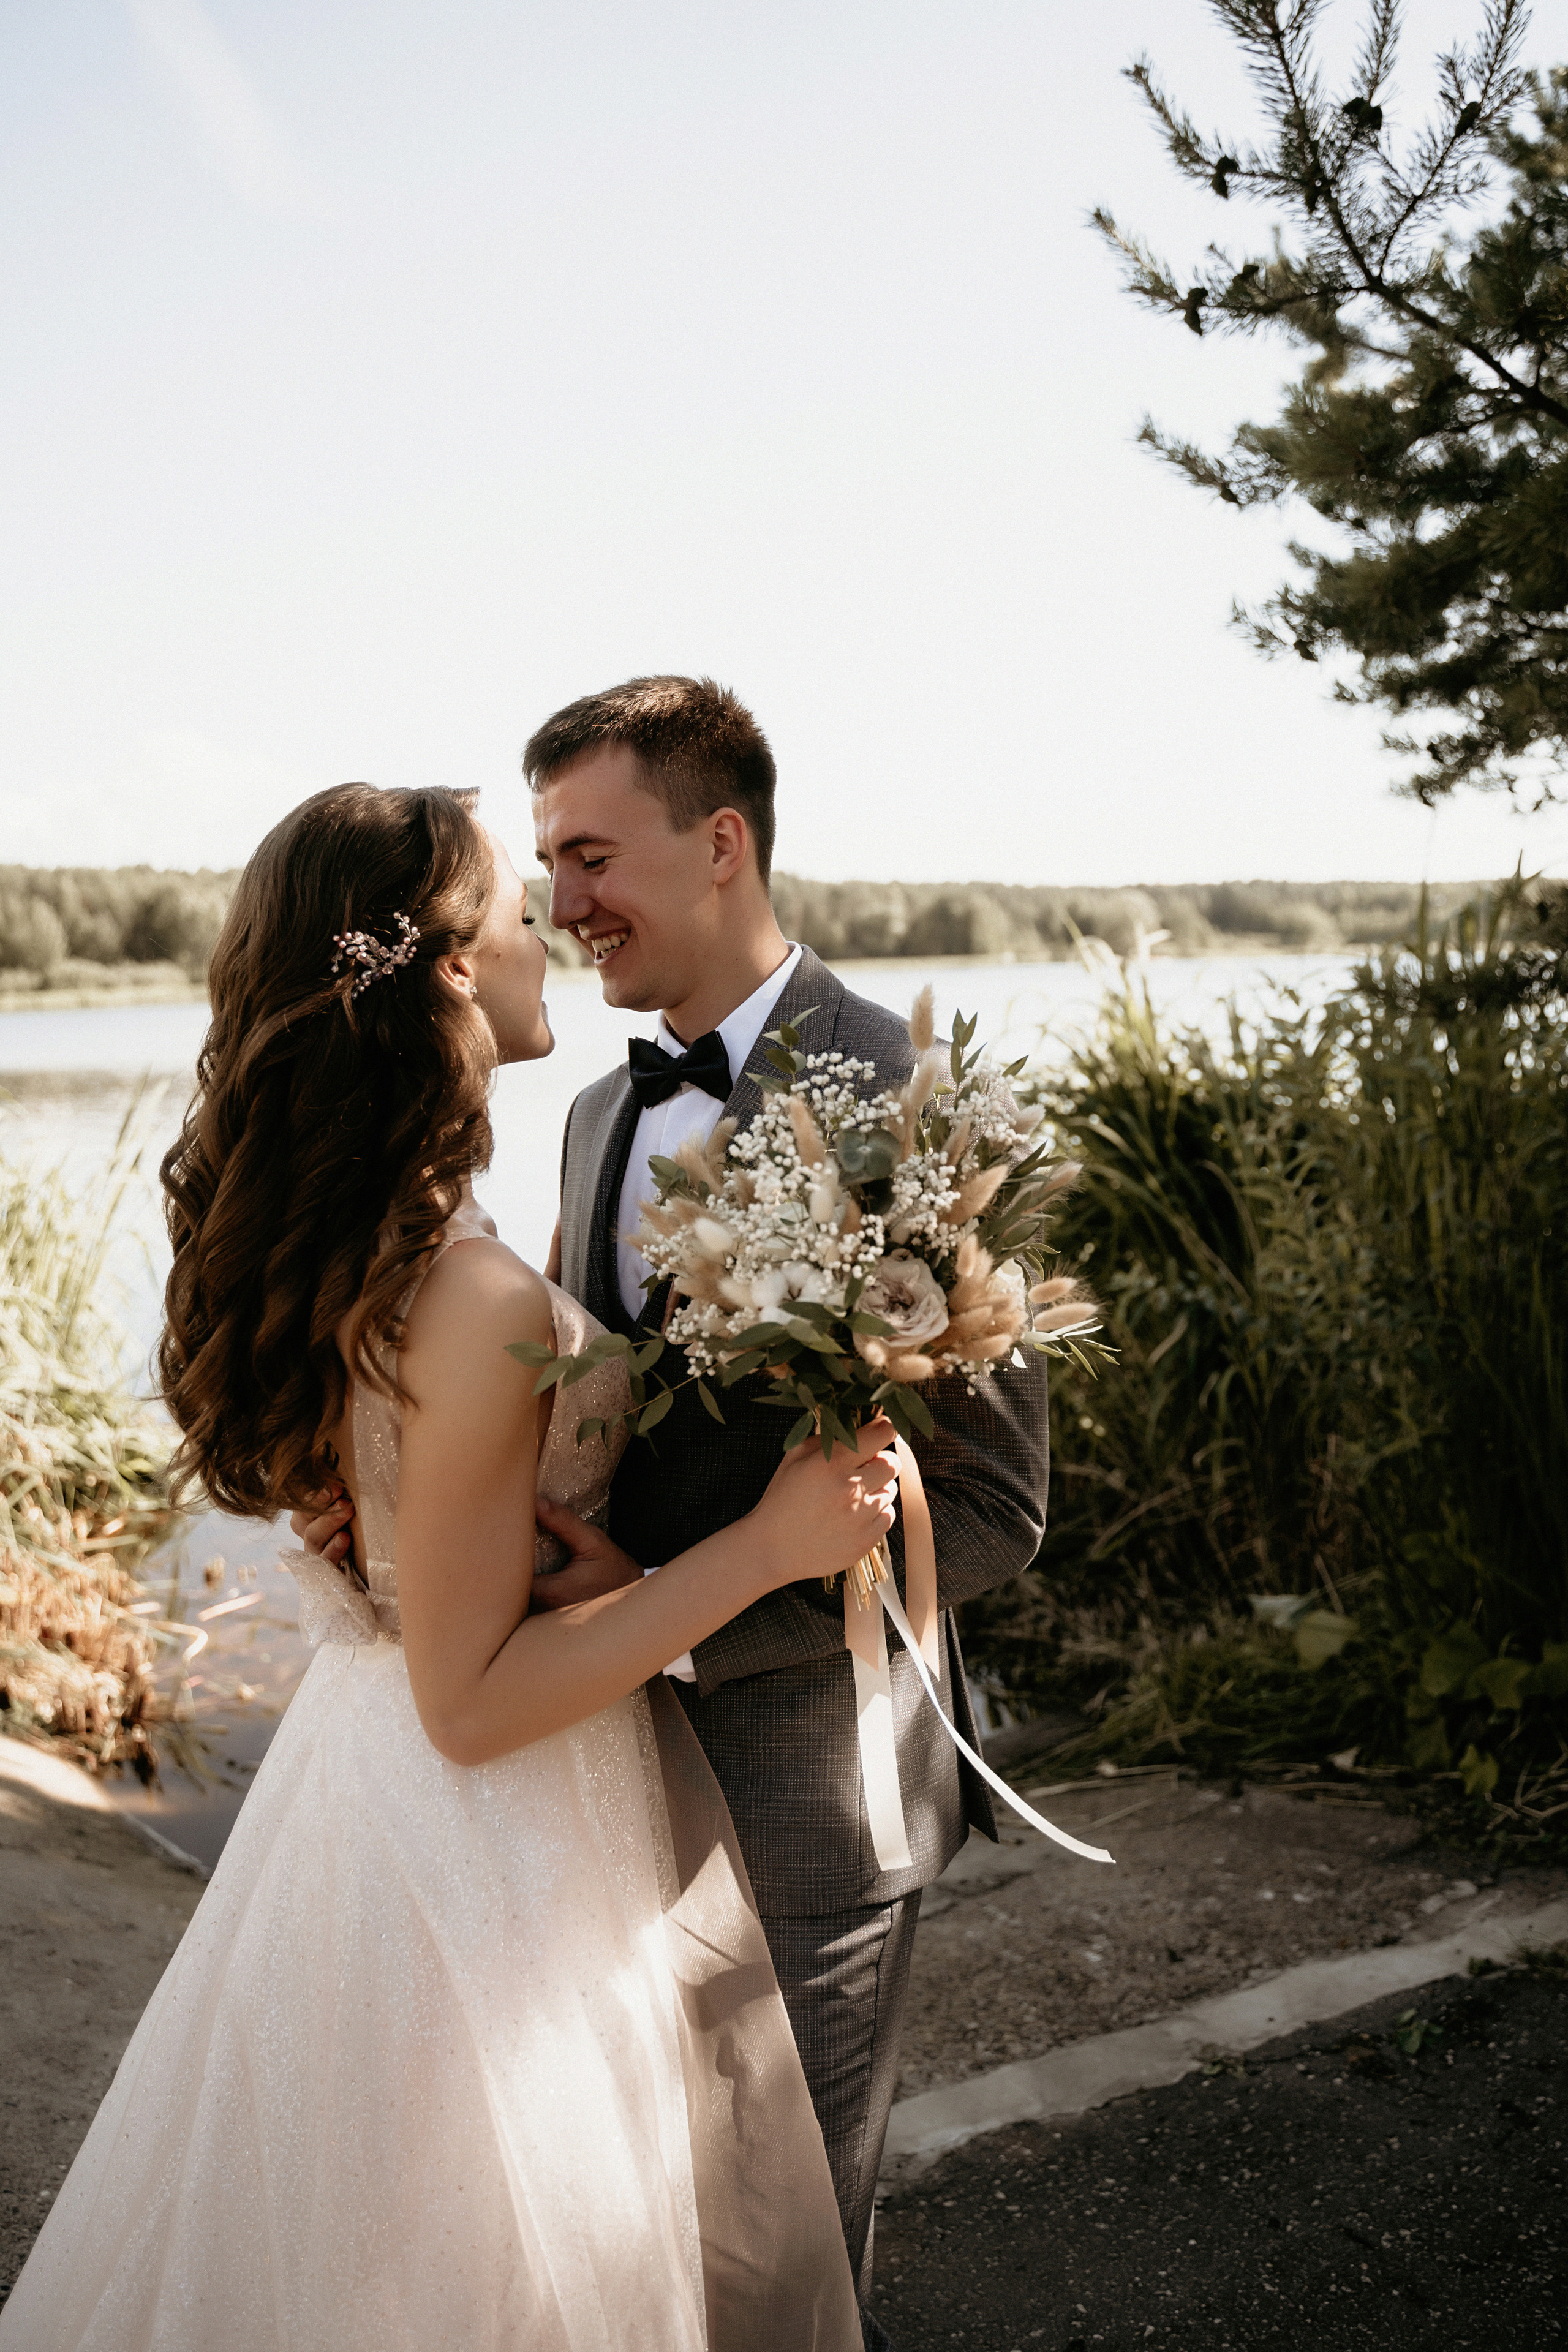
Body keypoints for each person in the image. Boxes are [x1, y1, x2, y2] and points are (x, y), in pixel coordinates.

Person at [0, 782, 893, 2352]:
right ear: (446, 974)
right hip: (487, 1826)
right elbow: (472, 1704)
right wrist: (763, 1545)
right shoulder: (462, 1284)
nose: (545, 925)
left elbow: (420, 1519)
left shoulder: (396, 1235)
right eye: (510, 904)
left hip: (374, 1794)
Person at [472, 678, 1053, 2347]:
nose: (560, 905)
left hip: (817, 1785)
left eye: (590, 857)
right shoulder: (594, 1118)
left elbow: (1000, 1506)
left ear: (718, 844)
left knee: (779, 2265)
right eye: (543, 866)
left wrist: (698, 1585)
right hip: (594, 1786)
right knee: (629, 2235)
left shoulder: (912, 1099)